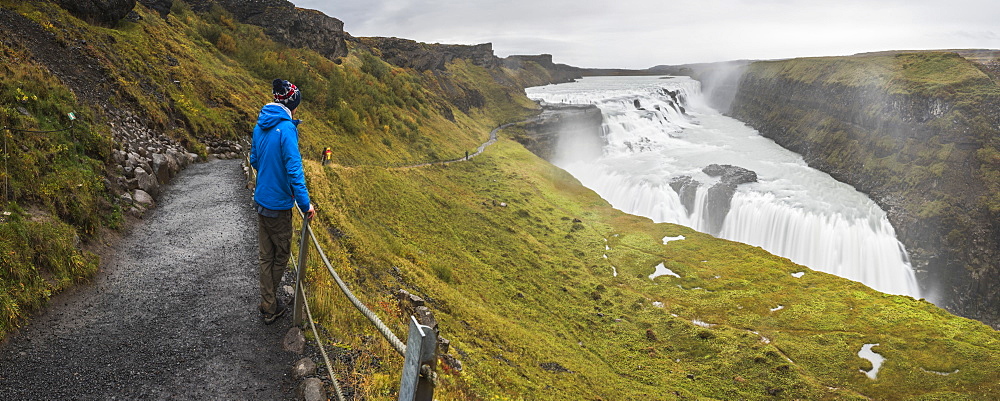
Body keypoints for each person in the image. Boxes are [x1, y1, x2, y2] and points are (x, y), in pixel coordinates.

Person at [249, 78, 317, 325]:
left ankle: (268, 301)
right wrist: (305, 203)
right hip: (278, 205)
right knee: (281, 255)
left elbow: (254, 160)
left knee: (265, 256)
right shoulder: (287, 129)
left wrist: (268, 173)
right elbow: (294, 169)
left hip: (261, 201)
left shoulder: (261, 125)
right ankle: (269, 305)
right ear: (292, 103)